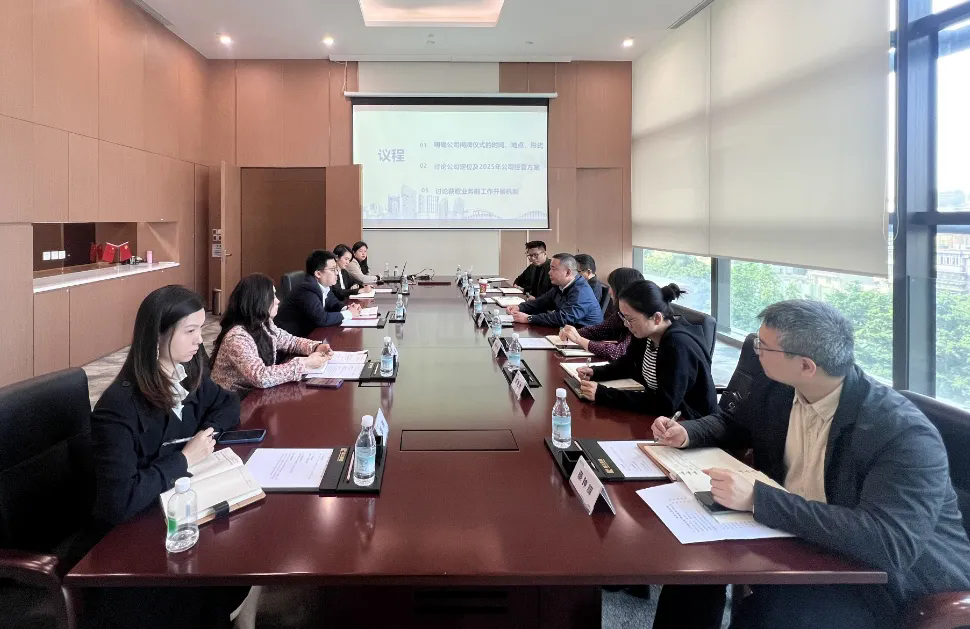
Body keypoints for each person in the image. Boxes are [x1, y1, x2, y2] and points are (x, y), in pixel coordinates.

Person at [650, 300, 970, 629]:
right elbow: (733, 423)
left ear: (806, 366)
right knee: (694, 570)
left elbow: (890, 542)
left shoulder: (899, 432)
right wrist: (688, 432)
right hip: (802, 534)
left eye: (764, 346)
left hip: (887, 581)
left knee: (774, 614)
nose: (756, 352)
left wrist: (758, 499)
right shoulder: (778, 387)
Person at [88, 285, 250, 628]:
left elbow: (227, 404)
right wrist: (185, 459)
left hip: (179, 512)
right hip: (134, 541)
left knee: (244, 546)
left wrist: (208, 435)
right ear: (157, 336)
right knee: (214, 580)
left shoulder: (186, 377)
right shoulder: (118, 407)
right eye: (190, 331)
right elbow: (119, 501)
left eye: (200, 329)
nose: (200, 340)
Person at [575, 280, 716, 418]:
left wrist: (603, 394)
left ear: (656, 318)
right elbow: (628, 365)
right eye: (624, 318)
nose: (626, 324)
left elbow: (666, 404)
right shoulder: (645, 334)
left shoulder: (677, 345)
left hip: (690, 420)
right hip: (659, 416)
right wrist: (595, 372)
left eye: (630, 319)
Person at [210, 273, 334, 395]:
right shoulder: (237, 337)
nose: (278, 301)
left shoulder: (264, 323)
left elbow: (290, 341)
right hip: (234, 401)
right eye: (272, 296)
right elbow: (260, 376)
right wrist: (305, 363)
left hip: (256, 394)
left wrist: (316, 347)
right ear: (258, 301)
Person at [559, 267, 643, 361]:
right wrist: (573, 333)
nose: (609, 291)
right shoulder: (619, 313)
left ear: (623, 289)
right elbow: (598, 330)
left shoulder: (638, 318)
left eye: (612, 287)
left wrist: (580, 340)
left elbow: (619, 352)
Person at [275, 250, 362, 337]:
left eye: (336, 269)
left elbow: (333, 302)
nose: (336, 273)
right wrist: (349, 313)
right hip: (291, 337)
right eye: (332, 269)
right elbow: (321, 319)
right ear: (318, 273)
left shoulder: (324, 285)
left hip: (311, 332)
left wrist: (347, 308)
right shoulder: (307, 289)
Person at [507, 253, 603, 328]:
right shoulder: (560, 285)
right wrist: (520, 307)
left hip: (584, 337)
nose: (549, 273)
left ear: (568, 272)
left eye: (553, 269)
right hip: (566, 332)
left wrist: (529, 318)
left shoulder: (581, 291)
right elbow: (541, 302)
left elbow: (564, 318)